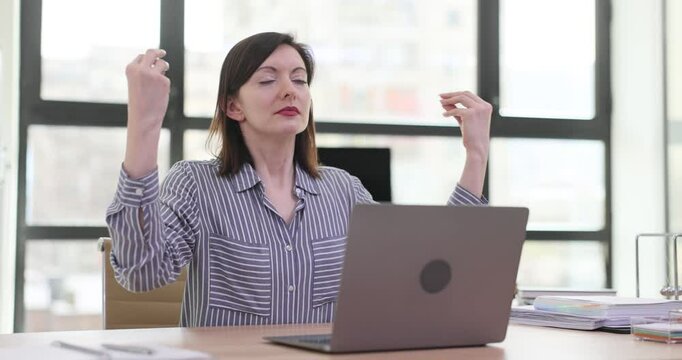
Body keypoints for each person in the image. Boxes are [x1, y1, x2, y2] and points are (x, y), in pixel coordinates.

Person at [106, 32, 492, 327]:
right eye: (267, 79)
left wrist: (476, 156)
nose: (290, 89)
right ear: (233, 106)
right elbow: (141, 274)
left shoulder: (344, 191)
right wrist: (144, 124)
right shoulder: (195, 184)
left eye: (300, 79)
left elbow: (424, 274)